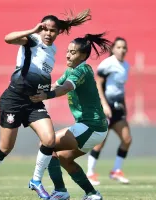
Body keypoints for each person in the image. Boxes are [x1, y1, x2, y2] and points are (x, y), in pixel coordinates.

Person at [0, 9, 91, 200]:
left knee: (49, 140)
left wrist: (46, 92)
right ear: (40, 29)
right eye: (45, 29)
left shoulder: (53, 50)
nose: (48, 33)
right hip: (13, 100)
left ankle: (36, 180)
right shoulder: (32, 40)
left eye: (53, 30)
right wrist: (32, 30)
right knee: (5, 148)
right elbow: (7, 38)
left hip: (34, 103)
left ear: (58, 32)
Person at [30, 33, 112, 200]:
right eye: (68, 51)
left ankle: (60, 191)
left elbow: (66, 87)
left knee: (47, 143)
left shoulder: (82, 70)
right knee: (64, 159)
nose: (68, 54)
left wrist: (46, 95)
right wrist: (33, 90)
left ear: (83, 55)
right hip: (94, 128)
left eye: (73, 52)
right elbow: (56, 85)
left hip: (91, 127)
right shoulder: (72, 70)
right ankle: (92, 194)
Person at [86, 37, 131, 186]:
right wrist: (104, 105)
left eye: (124, 47)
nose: (122, 50)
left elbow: (120, 88)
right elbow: (98, 83)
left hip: (118, 108)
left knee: (127, 139)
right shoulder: (108, 64)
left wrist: (124, 106)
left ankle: (116, 170)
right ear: (113, 49)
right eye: (118, 47)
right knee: (100, 142)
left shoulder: (126, 66)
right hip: (105, 107)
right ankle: (90, 173)